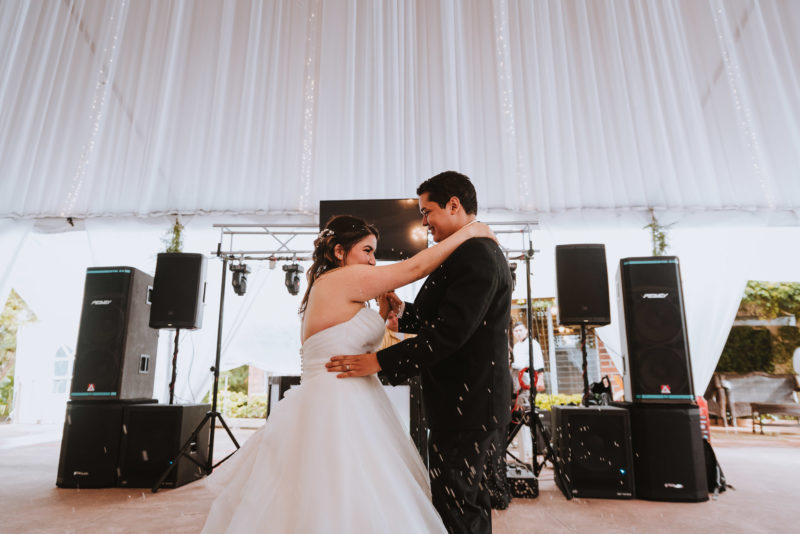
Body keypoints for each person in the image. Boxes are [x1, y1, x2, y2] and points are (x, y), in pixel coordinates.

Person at [199, 214, 495, 534]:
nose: (372, 261)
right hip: (334, 401)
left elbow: (352, 337)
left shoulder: (337, 286)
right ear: (339, 251)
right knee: (339, 488)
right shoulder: (342, 279)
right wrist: (469, 233)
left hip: (356, 397)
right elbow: (415, 268)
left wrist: (383, 312)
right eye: (367, 251)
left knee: (358, 487)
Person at [327, 171, 513, 534]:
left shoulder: (477, 253)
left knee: (457, 503)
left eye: (428, 212)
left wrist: (379, 361)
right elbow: (450, 317)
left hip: (469, 405)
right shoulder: (468, 252)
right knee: (464, 500)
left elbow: (450, 333)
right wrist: (404, 311)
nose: (424, 222)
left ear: (454, 205)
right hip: (465, 403)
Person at [510, 322, 545, 393]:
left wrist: (540, 379)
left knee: (528, 401)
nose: (518, 333)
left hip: (530, 378)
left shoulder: (533, 343)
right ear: (513, 333)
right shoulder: (516, 346)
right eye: (516, 331)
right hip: (518, 379)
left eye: (520, 330)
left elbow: (539, 361)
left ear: (526, 330)